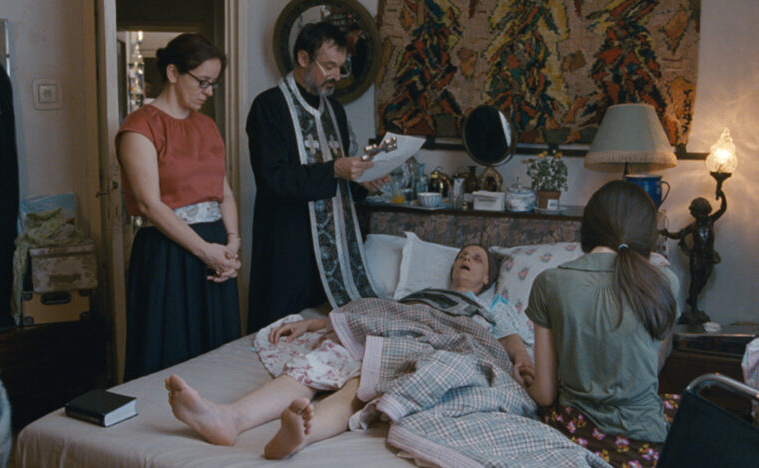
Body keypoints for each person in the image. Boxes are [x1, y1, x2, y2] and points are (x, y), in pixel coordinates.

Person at [166, 244, 533, 459]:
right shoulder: (416, 296)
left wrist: (522, 360)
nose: (466, 259)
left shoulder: (491, 307)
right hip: (387, 329)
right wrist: (315, 324)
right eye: (462, 255)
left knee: (365, 380)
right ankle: (230, 417)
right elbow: (371, 316)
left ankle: (304, 433)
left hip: (428, 345)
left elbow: (510, 340)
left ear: (487, 278)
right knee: (321, 361)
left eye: (476, 258)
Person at [522, 180, 680, 468]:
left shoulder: (549, 282)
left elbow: (544, 395)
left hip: (577, 437)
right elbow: (653, 366)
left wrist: (522, 380)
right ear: (647, 233)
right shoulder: (665, 282)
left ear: (589, 227)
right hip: (645, 445)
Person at [245, 21, 389, 333]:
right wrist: (335, 169)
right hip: (287, 242)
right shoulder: (269, 106)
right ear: (303, 58)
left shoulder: (335, 110)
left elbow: (340, 179)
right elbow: (273, 179)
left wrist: (362, 181)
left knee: (326, 330)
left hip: (332, 245)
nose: (336, 75)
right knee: (279, 329)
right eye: (329, 66)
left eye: (341, 67)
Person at [116, 34, 241, 381]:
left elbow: (224, 191)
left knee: (217, 354)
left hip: (215, 246)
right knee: (168, 350)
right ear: (173, 73)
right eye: (203, 82)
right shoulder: (139, 127)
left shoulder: (207, 125)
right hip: (168, 251)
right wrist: (206, 251)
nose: (209, 92)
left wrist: (232, 243)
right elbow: (149, 204)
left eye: (213, 84)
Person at [660, 183, 727, 325]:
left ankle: (692, 299)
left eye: (695, 211)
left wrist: (721, 194)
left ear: (702, 211)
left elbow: (723, 209)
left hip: (709, 258)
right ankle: (694, 307)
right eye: (693, 212)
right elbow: (679, 234)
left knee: (704, 280)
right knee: (695, 282)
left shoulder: (710, 221)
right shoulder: (693, 226)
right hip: (696, 258)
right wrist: (666, 233)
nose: (693, 214)